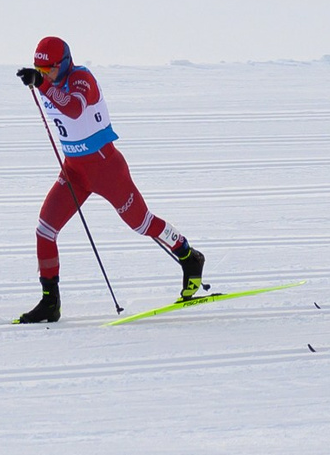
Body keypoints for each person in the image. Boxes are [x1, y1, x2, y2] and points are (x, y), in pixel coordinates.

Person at [14, 35, 205, 322]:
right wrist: (41, 82)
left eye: (49, 70)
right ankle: (50, 302)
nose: (44, 76)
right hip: (75, 171)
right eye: (39, 71)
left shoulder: (81, 79)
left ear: (64, 63)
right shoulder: (49, 82)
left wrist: (41, 85)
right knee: (45, 230)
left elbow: (74, 109)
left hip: (106, 169)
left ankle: (189, 255)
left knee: (142, 223)